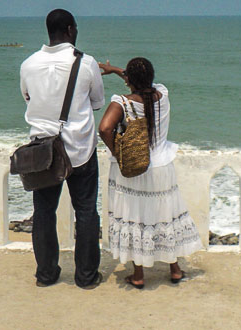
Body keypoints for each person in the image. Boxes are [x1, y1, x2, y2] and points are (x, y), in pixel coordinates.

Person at [98, 57, 203, 289]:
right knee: (163, 216)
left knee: (137, 217)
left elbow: (104, 128)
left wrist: (118, 153)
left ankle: (138, 275)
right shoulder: (162, 95)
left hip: (135, 169)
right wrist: (116, 70)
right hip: (162, 167)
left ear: (129, 81)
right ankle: (175, 269)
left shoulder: (121, 103)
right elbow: (138, 79)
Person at [19, 9, 105, 289]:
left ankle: (46, 274)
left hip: (43, 153)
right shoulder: (87, 62)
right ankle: (86, 276)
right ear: (70, 29)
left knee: (44, 212)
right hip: (80, 149)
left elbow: (27, 98)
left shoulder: (28, 64)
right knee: (86, 212)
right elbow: (96, 102)